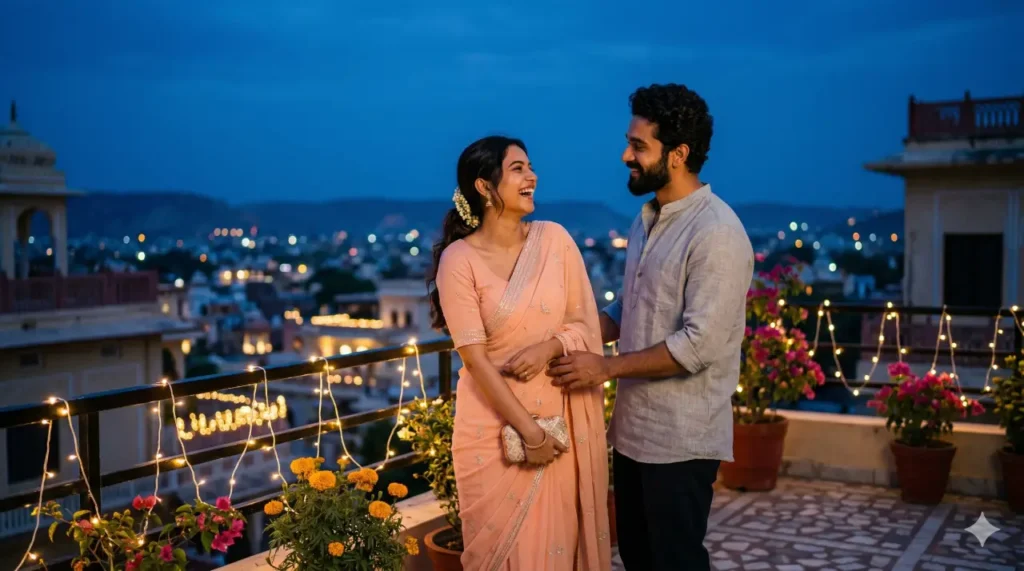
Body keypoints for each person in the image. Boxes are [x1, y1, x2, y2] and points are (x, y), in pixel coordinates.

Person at [548, 84, 754, 571]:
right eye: (629, 142)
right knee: (639, 557)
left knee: (675, 560)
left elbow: (697, 344)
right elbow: (632, 314)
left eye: (638, 146)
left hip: (681, 439)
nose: (625, 155)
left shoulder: (717, 232)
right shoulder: (646, 220)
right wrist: (556, 338)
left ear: (678, 154)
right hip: (635, 433)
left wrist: (604, 368)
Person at [426, 136, 613, 571]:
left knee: (555, 549)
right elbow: (474, 360)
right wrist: (531, 434)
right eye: (517, 169)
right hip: (492, 432)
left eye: (530, 167)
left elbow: (583, 323)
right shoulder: (459, 260)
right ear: (485, 187)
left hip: (560, 421)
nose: (532, 176)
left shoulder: (554, 241)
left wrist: (551, 346)